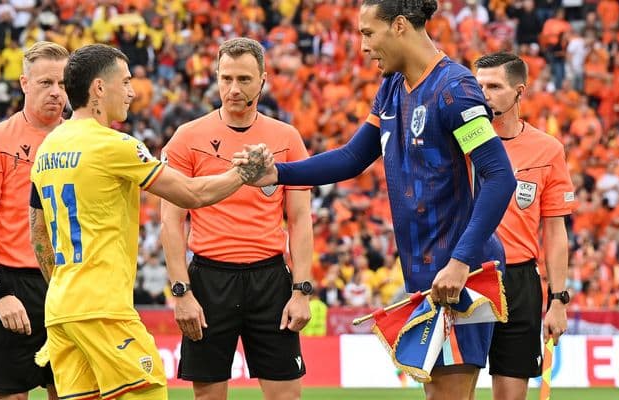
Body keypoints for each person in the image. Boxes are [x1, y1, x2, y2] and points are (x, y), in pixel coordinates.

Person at [235, 1, 516, 399]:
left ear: (399, 26)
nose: (363, 45)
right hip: (426, 274)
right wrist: (278, 173)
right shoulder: (391, 89)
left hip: (462, 272)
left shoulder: (455, 90)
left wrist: (459, 262)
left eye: (369, 33)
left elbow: (500, 175)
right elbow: (353, 157)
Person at [28, 44, 271, 400]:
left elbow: (38, 232)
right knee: (149, 391)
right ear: (99, 88)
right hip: (103, 308)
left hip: (61, 308)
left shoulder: (49, 146)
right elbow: (191, 194)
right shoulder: (115, 145)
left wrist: (63, 287)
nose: (131, 92)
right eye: (125, 82)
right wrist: (243, 173)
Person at [160, 37, 313, 400]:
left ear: (263, 79)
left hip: (270, 278)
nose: (233, 89)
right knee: (209, 395)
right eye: (226, 78)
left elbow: (301, 219)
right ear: (215, 77)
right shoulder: (188, 137)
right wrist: (181, 292)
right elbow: (171, 220)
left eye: (244, 79)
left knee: (287, 395)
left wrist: (302, 291)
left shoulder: (286, 137)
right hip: (210, 279)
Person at [0, 41, 69, 400]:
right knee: (11, 393)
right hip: (14, 281)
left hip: (68, 281)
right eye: (45, 83)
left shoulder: (83, 139)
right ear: (25, 83)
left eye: (63, 83)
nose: (56, 92)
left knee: (72, 391)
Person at [474, 52, 576, 400]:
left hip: (519, 280)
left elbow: (555, 230)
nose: (484, 93)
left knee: (511, 395)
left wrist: (559, 299)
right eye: (479, 86)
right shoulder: (459, 143)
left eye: (494, 86)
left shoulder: (547, 149)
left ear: (520, 92)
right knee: (454, 392)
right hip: (467, 276)